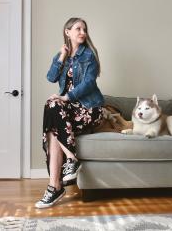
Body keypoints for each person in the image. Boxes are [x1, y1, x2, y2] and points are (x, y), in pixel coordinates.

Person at [35, 17, 104, 208]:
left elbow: (89, 83)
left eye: (84, 29)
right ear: (68, 32)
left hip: (90, 108)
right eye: (78, 29)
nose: (82, 32)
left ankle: (55, 187)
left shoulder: (89, 55)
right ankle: (65, 170)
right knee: (52, 107)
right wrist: (61, 57)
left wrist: (66, 97)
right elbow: (51, 77)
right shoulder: (62, 55)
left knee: (53, 113)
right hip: (69, 111)